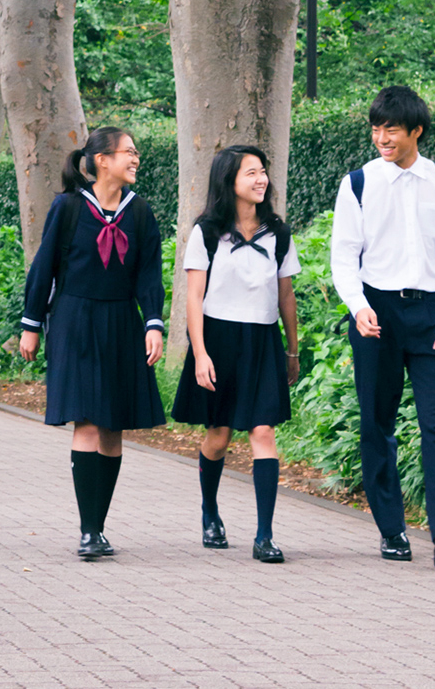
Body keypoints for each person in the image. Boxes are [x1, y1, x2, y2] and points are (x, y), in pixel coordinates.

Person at [329, 86, 435, 569]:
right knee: (377, 424)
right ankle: (392, 530)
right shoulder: (358, 184)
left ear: (415, 130)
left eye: (390, 129)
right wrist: (357, 306)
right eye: (375, 129)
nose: (381, 137)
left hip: (433, 316)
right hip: (376, 315)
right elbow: (344, 256)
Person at [19, 126, 165, 559]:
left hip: (121, 319)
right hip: (74, 319)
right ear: (102, 159)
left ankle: (100, 526)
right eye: (128, 152)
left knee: (113, 425)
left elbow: (149, 274)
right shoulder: (67, 208)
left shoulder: (141, 213)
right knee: (86, 419)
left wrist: (153, 323)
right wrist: (31, 323)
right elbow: (44, 267)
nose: (135, 159)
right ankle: (87, 530)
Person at [171, 145, 301, 563]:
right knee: (219, 436)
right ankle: (210, 511)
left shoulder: (279, 234)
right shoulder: (207, 232)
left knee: (262, 431)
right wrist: (201, 352)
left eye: (263, 172)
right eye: (251, 173)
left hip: (262, 341)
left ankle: (265, 535)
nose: (261, 179)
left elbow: (286, 295)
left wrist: (292, 350)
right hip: (218, 340)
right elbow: (193, 297)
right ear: (229, 181)